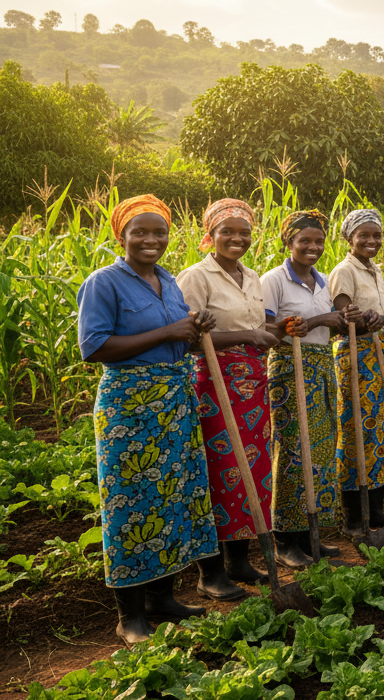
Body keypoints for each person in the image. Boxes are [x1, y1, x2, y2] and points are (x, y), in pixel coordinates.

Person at [77, 195, 218, 643]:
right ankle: (130, 616)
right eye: (140, 231)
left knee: (173, 495)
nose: (150, 240)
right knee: (131, 501)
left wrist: (196, 326)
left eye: (159, 232)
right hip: (129, 405)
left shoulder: (170, 283)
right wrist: (168, 331)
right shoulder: (104, 283)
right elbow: (94, 348)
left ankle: (163, 599)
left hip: (175, 400)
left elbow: (182, 337)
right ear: (122, 236)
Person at [178, 199, 280, 590]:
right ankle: (211, 574)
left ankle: (239, 562)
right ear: (211, 235)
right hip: (215, 386)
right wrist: (246, 335)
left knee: (251, 472)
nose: (237, 239)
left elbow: (260, 326)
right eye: (228, 232)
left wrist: (276, 329)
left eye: (244, 233)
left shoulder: (252, 277)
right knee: (219, 473)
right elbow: (187, 337)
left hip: (254, 384)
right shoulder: (196, 277)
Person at [261, 211, 357, 568]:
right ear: (289, 242)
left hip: (321, 366)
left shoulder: (323, 281)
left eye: (318, 241)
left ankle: (309, 534)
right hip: (289, 368)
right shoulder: (274, 280)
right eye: (305, 241)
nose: (313, 247)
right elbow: (268, 330)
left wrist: (341, 322)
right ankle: (285, 540)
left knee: (317, 451)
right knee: (291, 451)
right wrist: (319, 320)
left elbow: (327, 328)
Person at [329, 209, 384, 535]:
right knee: (357, 432)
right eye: (364, 235)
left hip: (381, 353)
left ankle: (376, 510)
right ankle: (354, 517)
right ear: (349, 238)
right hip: (356, 355)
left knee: (381, 431)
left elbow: (375, 315)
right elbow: (346, 317)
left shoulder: (375, 270)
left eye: (376, 235)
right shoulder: (344, 271)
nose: (371, 241)